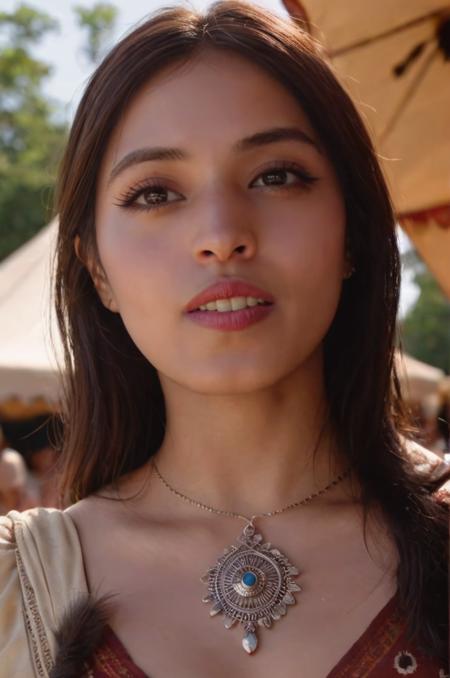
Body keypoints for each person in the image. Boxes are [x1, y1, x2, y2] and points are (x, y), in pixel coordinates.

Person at [0, 2, 449, 676]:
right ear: (96, 269)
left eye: (276, 176)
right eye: (155, 193)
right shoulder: (16, 593)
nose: (221, 233)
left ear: (354, 233)